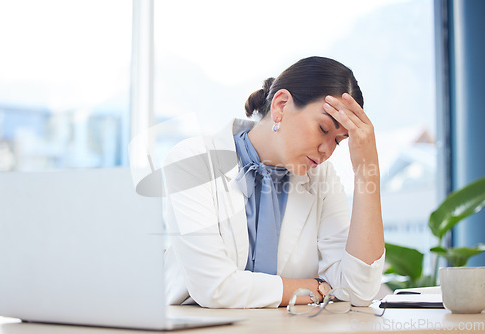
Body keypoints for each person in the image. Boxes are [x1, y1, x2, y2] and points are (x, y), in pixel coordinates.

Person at [163, 56, 385, 308]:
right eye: (323, 129)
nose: (326, 150)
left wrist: (368, 172)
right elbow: (214, 288)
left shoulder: (322, 179)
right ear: (280, 105)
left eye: (338, 141)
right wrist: (313, 288)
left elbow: (358, 291)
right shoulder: (194, 160)